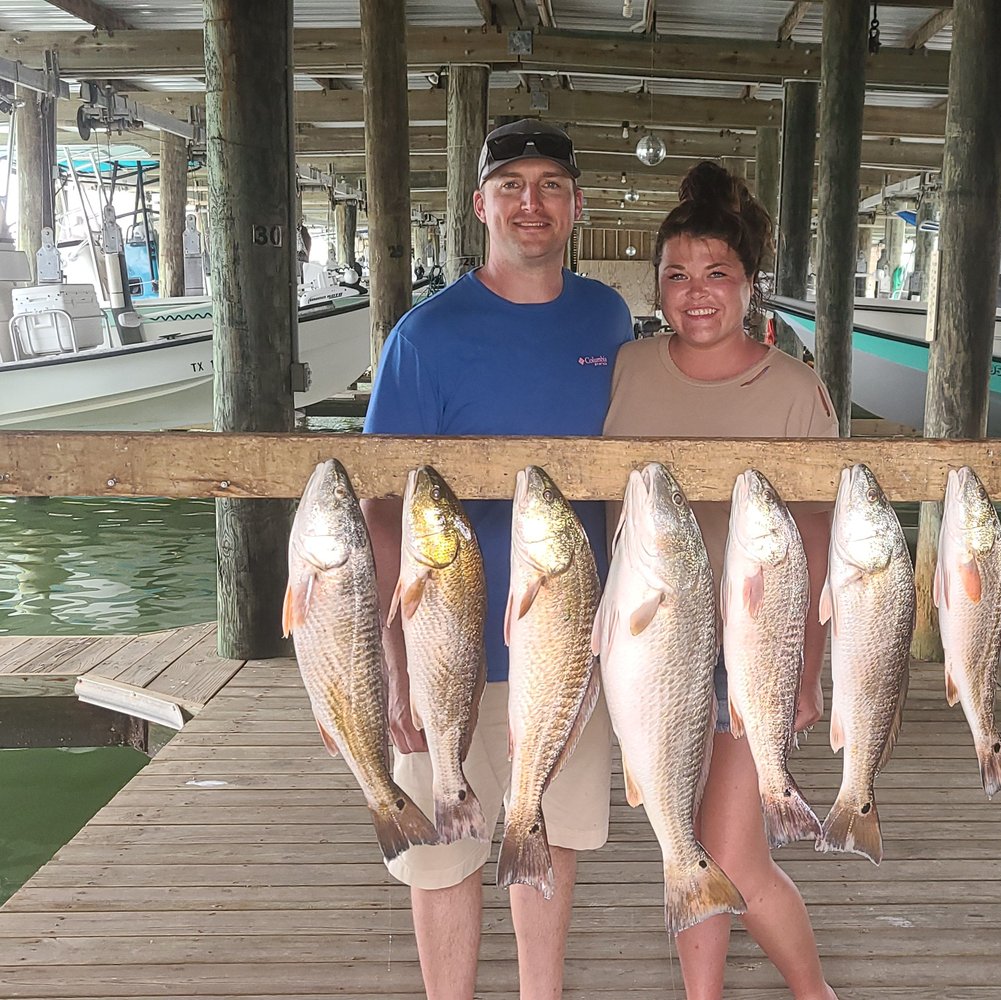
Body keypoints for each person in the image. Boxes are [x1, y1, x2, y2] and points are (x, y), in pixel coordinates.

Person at [361, 119, 633, 1000]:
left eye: (549, 184)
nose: (530, 202)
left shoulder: (607, 316)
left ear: (575, 206)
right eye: (510, 185)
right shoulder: (424, 337)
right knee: (445, 852)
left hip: (569, 638)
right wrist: (392, 666)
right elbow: (375, 506)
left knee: (545, 834)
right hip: (448, 644)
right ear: (479, 205)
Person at [603, 160, 839, 1000]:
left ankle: (815, 993)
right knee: (683, 844)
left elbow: (817, 535)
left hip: (753, 649)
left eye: (715, 275)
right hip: (651, 642)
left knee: (736, 849)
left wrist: (807, 668)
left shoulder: (792, 389)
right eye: (675, 276)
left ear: (748, 285)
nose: (694, 293)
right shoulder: (626, 370)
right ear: (656, 286)